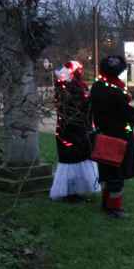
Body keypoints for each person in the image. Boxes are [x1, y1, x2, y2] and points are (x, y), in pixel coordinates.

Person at [90, 55, 134, 218]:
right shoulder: (116, 93)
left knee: (108, 170)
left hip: (103, 135)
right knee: (116, 174)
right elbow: (133, 117)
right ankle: (114, 208)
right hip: (119, 137)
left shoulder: (97, 87)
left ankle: (106, 204)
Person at [49, 61, 101, 203]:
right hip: (73, 132)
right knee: (72, 161)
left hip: (72, 131)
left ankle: (73, 191)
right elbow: (81, 108)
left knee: (77, 160)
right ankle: (70, 193)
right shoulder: (71, 91)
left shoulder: (66, 90)